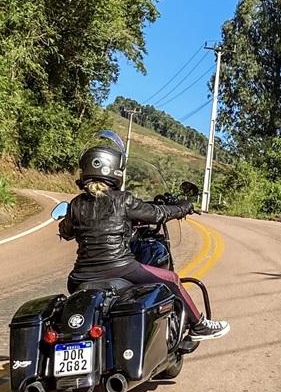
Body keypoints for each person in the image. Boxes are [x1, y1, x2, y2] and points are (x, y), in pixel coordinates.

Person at [58, 139, 230, 341]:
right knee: (172, 279)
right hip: (120, 266)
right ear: (115, 169)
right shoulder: (123, 199)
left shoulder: (76, 204)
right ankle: (199, 326)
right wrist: (183, 208)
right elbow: (157, 214)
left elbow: (66, 232)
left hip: (80, 277)